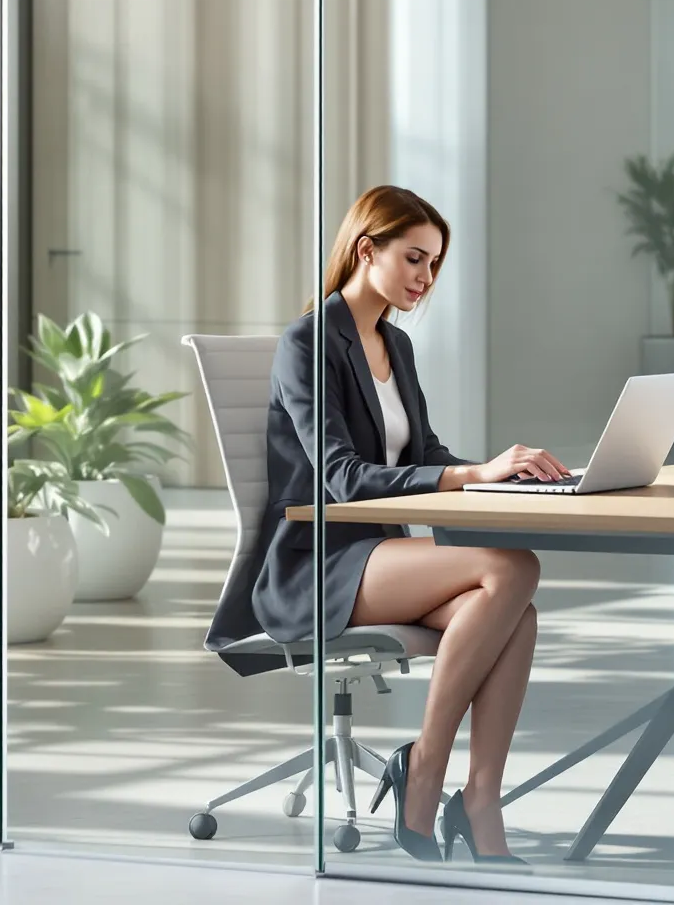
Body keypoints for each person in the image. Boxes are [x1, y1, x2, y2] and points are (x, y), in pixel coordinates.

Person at [211, 184, 570, 864]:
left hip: (377, 555)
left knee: (516, 612)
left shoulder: (393, 347)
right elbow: (342, 475)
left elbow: (425, 455)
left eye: (434, 265)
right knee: (514, 566)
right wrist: (471, 478)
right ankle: (426, 771)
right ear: (366, 248)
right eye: (414, 259)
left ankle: (480, 800)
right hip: (315, 566)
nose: (424, 279)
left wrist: (501, 468)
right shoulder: (309, 342)